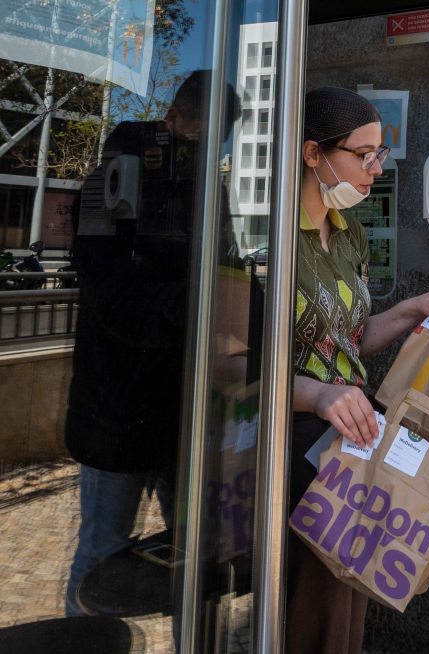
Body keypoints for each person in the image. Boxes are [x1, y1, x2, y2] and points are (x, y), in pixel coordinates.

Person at [286, 86, 429, 654]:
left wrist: (414, 308)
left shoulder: (349, 232)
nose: (375, 168)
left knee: (345, 602)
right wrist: (315, 395)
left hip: (349, 443)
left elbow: (352, 340)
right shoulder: (267, 234)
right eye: (364, 156)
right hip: (288, 444)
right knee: (306, 604)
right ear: (313, 154)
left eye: (380, 154)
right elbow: (226, 363)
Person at [64, 70, 241, 616]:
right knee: (102, 556)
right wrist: (198, 301)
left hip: (183, 407)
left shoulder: (208, 184)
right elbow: (108, 297)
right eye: (195, 138)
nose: (201, 152)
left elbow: (228, 265)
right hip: (116, 407)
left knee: (193, 557)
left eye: (215, 144)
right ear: (171, 120)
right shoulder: (110, 182)